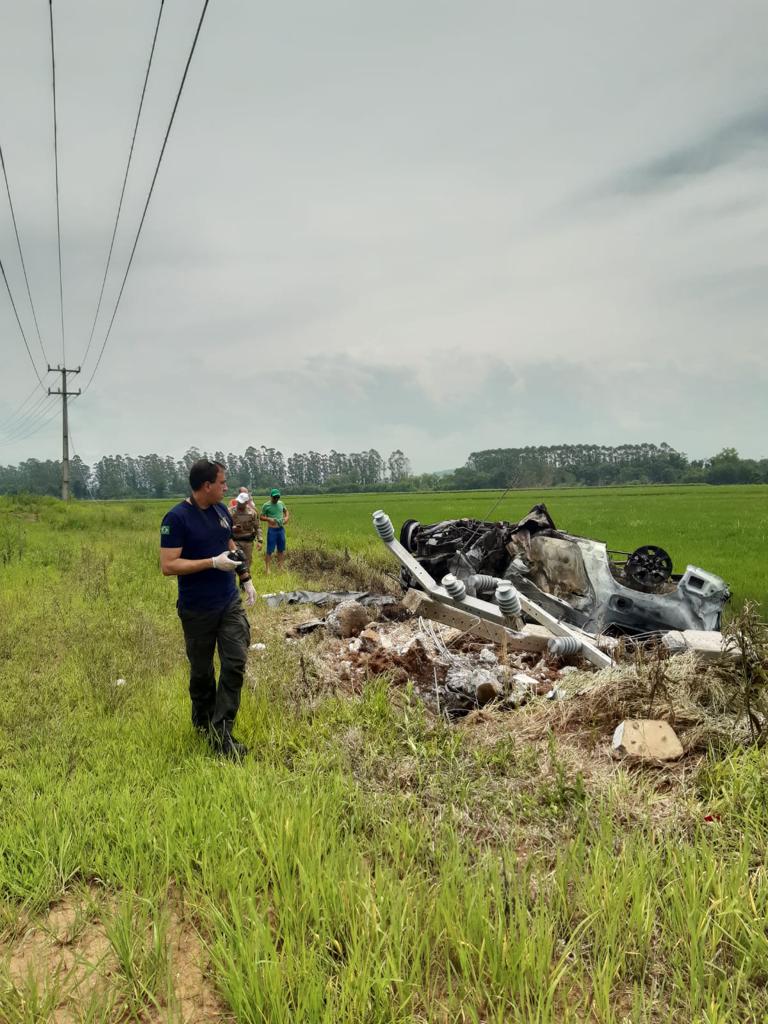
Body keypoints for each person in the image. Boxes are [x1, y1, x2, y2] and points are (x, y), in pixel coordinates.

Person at [159, 459, 256, 760]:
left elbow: (228, 543)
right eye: (223, 482)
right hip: (197, 609)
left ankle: (222, 734)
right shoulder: (176, 519)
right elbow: (168, 565)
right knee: (202, 673)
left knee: (235, 662)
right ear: (207, 486)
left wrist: (245, 577)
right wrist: (212, 562)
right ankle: (202, 724)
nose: (227, 487)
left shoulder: (220, 511)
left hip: (228, 602)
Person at [260, 487, 290, 574]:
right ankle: (267, 568)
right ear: (271, 496)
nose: (276, 499)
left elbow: (286, 511)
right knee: (270, 550)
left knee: (281, 549)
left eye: (278, 497)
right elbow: (261, 517)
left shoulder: (281, 503)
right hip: (272, 530)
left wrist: (286, 518)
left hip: (281, 529)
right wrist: (269, 519)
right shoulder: (266, 505)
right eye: (274, 497)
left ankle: (280, 567)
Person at [230, 491, 262, 570]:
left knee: (247, 564)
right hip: (235, 541)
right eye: (238, 502)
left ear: (246, 502)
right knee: (234, 563)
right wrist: (233, 528)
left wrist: (260, 540)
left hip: (248, 542)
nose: (239, 504)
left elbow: (257, 527)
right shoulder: (230, 511)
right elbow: (224, 527)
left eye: (242, 502)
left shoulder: (252, 513)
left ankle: (244, 581)